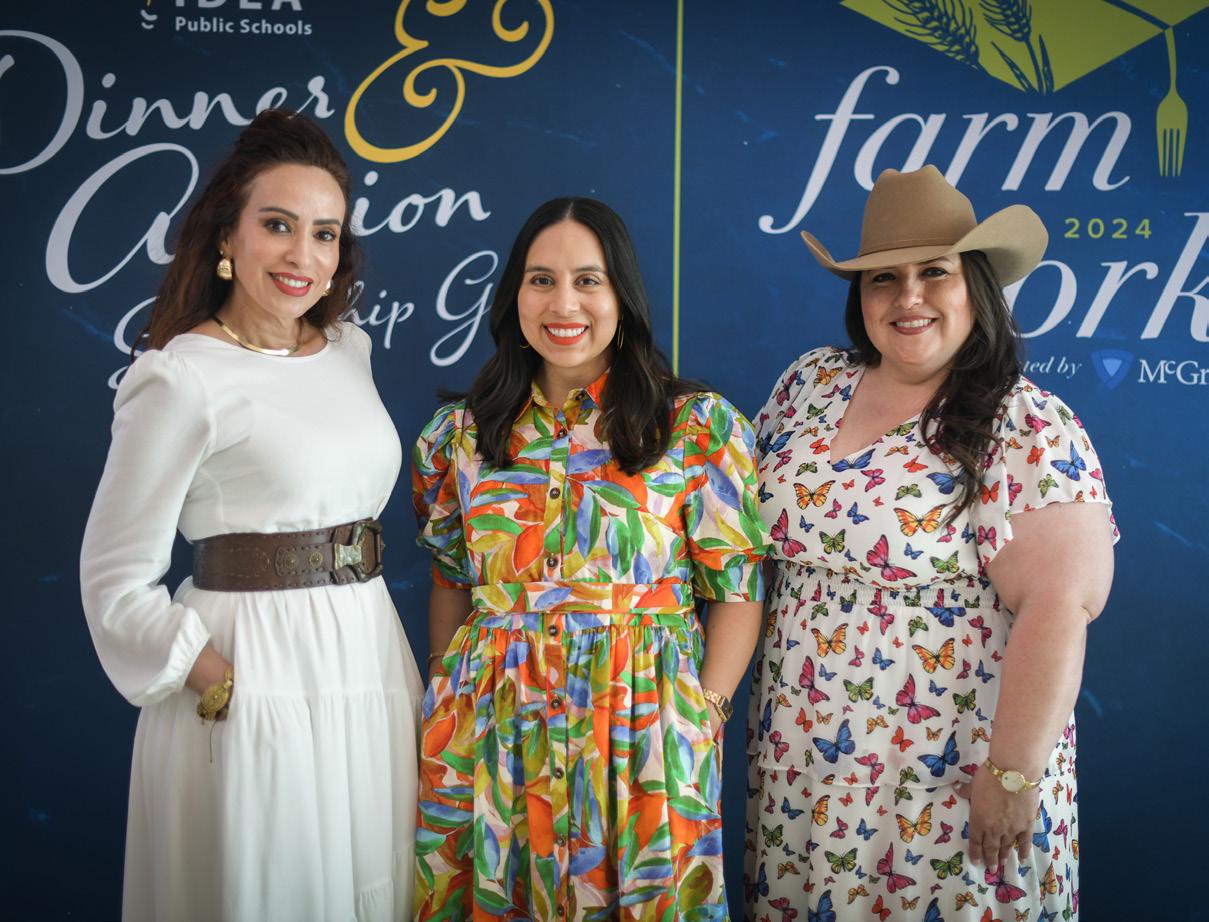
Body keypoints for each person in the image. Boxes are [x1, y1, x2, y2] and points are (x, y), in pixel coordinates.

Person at [744, 166, 1117, 921]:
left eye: (934, 273)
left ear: (975, 285)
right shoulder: (809, 384)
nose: (907, 296)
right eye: (883, 278)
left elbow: (1059, 606)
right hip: (803, 765)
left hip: (947, 775)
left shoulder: (1025, 423)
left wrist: (1011, 777)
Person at [80, 109, 423, 922]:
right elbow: (114, 577)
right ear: (227, 237)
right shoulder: (180, 378)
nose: (302, 255)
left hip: (368, 658)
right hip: (254, 676)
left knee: (373, 884)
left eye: (324, 233)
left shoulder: (349, 348)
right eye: (277, 225)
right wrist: (217, 679)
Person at [411, 197, 768, 919]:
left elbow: (735, 588)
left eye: (587, 281)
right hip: (492, 728)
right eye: (541, 280)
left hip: (646, 731)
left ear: (621, 297)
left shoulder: (695, 427)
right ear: (514, 295)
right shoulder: (459, 436)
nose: (563, 304)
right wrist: (445, 694)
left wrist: (703, 715)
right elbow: (451, 579)